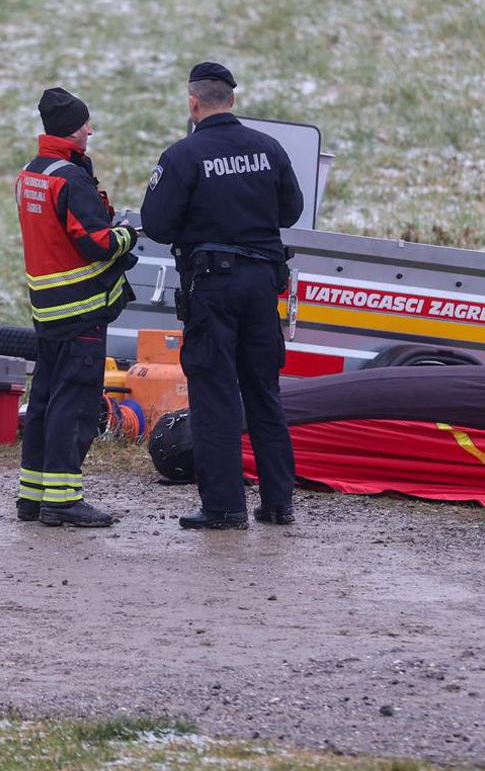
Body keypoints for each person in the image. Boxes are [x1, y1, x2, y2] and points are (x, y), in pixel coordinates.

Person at [139, 62, 303, 530]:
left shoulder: (184, 155)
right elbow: (291, 210)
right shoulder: (269, 149)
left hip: (212, 287)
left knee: (215, 395)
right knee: (263, 392)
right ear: (231, 100)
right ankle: (277, 503)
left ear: (193, 103)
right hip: (262, 286)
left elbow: (157, 223)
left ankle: (224, 507)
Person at [15, 87, 139, 527]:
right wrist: (127, 234)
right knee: (76, 405)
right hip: (81, 310)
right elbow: (97, 243)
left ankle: (32, 496)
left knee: (45, 401)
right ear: (72, 129)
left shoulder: (31, 173)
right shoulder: (71, 178)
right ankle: (63, 500)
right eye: (86, 124)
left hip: (47, 310)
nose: (90, 130)